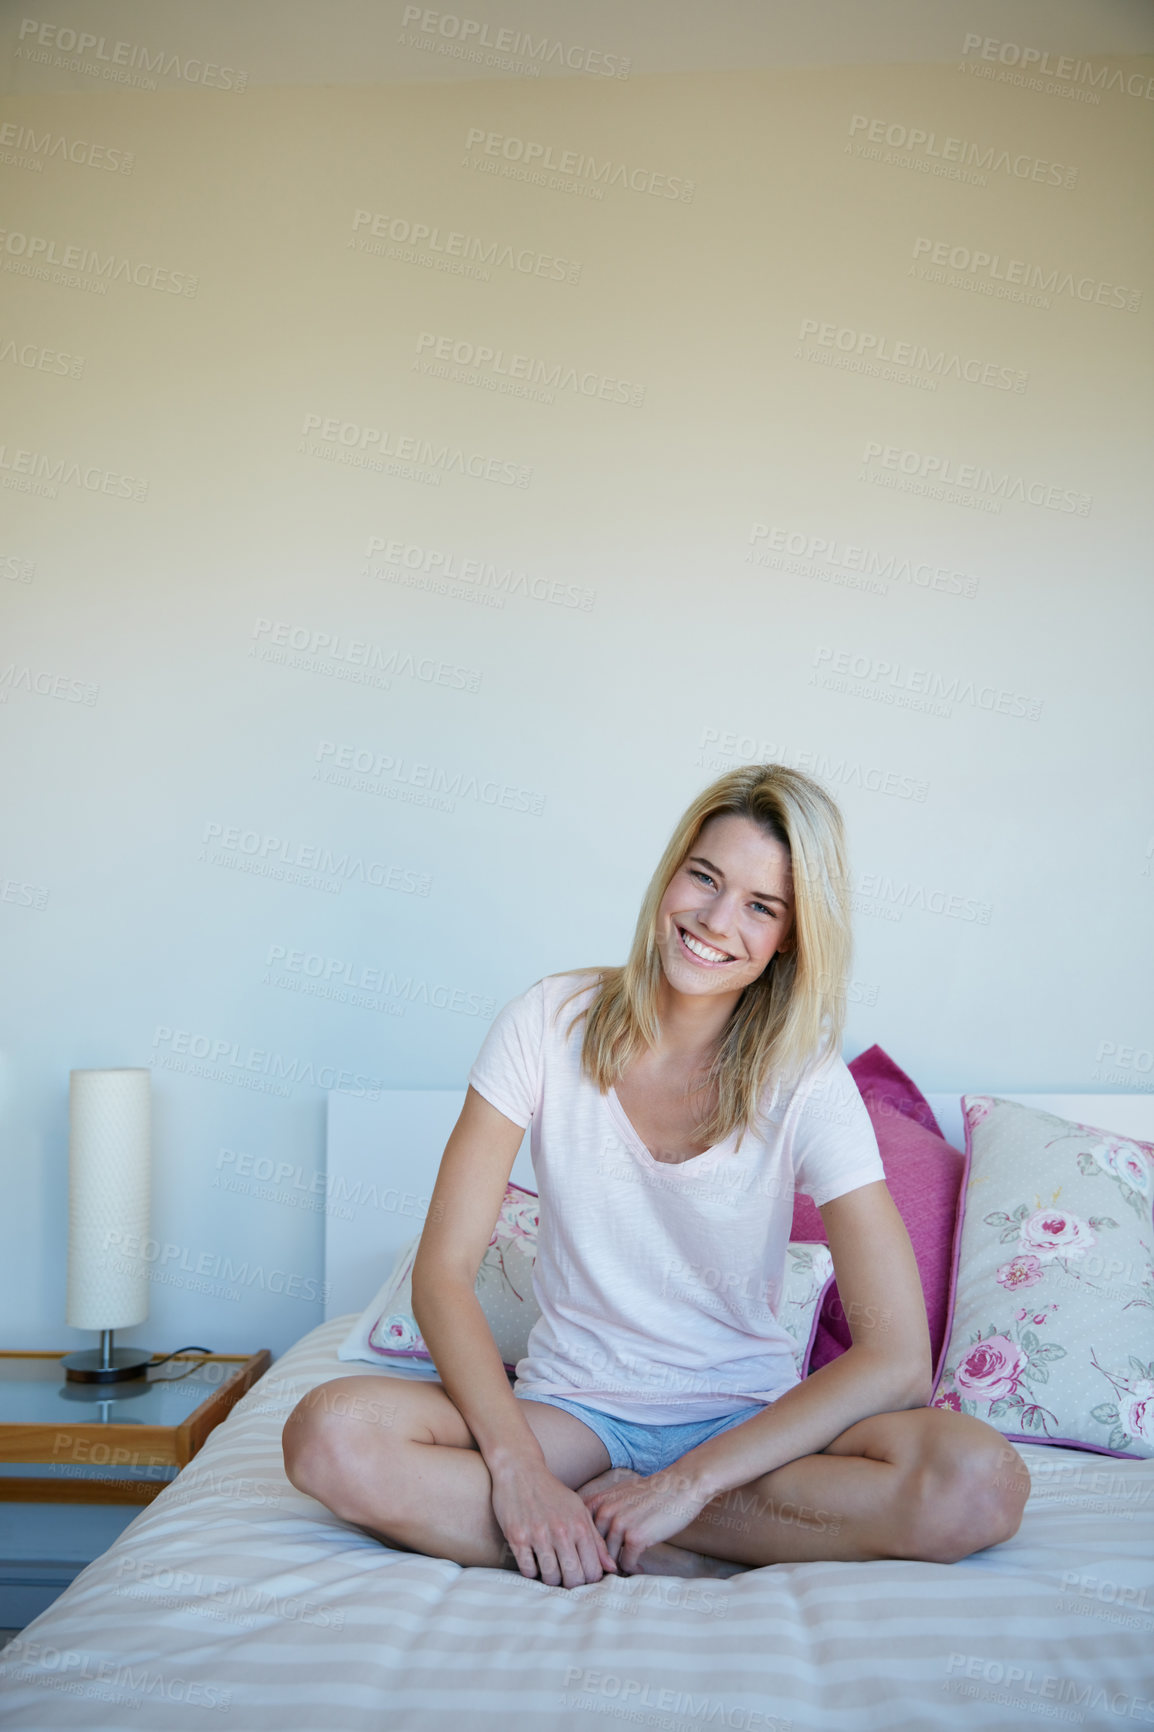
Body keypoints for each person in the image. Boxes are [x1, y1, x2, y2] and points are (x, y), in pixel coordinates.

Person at [283, 764, 1029, 1588]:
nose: (715, 920)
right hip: (571, 1417)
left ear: (791, 937)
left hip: (745, 1426)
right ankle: (621, 1529)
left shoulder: (807, 1080)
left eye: (760, 905)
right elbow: (445, 1274)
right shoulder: (547, 1020)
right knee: (331, 1434)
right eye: (704, 877)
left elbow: (896, 1359)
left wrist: (686, 1485)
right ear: (670, 872)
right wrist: (520, 1469)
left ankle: (642, 1525)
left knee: (980, 1485)